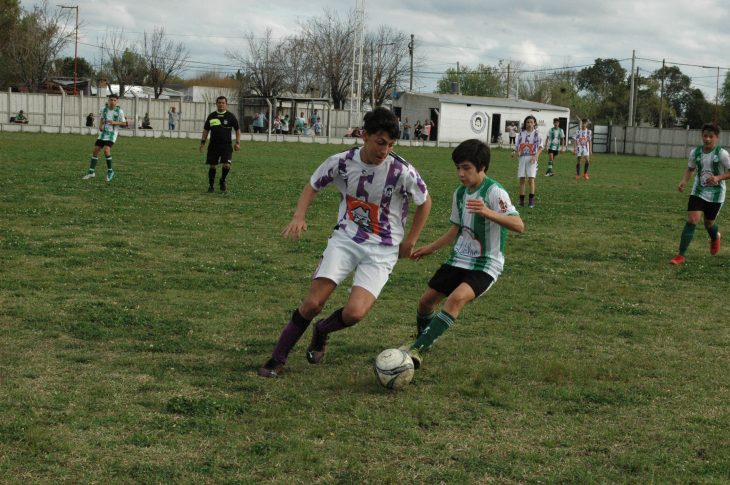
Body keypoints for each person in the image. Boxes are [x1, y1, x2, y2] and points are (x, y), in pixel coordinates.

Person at [257, 107, 432, 378]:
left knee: (355, 313)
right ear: (365, 135)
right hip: (346, 239)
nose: (385, 150)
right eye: (380, 142)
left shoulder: (401, 171)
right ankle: (277, 358)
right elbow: (313, 184)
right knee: (312, 304)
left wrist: (410, 241)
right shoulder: (341, 161)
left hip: (383, 250)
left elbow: (425, 201)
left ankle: (322, 331)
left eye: (390, 145)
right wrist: (299, 215)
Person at [400, 139, 524, 368]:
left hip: (486, 264)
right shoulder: (459, 194)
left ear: (482, 167)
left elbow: (518, 225)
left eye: (466, 168)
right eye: (458, 167)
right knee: (426, 302)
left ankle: (418, 349)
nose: (460, 173)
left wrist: (488, 212)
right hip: (458, 258)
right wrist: (429, 248)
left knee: (457, 299)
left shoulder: (495, 192)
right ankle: (424, 339)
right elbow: (454, 231)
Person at [669, 123, 730, 265]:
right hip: (698, 191)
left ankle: (715, 237)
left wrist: (718, 177)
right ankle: (681, 255)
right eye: (705, 136)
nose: (707, 139)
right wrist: (683, 181)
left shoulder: (722, 154)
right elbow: (690, 169)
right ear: (702, 136)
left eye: (711, 136)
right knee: (692, 220)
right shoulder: (695, 152)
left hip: (716, 194)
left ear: (717, 138)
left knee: (709, 223)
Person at [199, 96, 241, 193]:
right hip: (213, 145)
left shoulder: (231, 116)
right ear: (216, 104)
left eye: (223, 103)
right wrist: (202, 142)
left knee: (226, 165)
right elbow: (206, 130)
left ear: (226, 104)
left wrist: (238, 143)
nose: (221, 104)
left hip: (226, 145)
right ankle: (211, 186)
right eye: (219, 102)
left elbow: (237, 130)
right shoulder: (212, 116)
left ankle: (222, 180)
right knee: (212, 166)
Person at [82, 94, 127, 182]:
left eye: (114, 100)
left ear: (117, 102)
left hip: (112, 134)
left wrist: (114, 122)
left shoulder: (119, 111)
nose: (112, 102)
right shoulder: (103, 109)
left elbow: (124, 123)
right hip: (103, 134)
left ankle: (110, 171)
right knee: (95, 151)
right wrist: (100, 126)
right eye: (111, 100)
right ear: (108, 101)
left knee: (106, 151)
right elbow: (102, 119)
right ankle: (91, 172)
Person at [511, 115, 543, 208]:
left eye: (531, 122)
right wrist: (514, 152)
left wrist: (536, 156)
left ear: (534, 123)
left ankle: (531, 201)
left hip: (532, 158)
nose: (529, 124)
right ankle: (521, 201)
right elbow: (517, 146)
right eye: (527, 122)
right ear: (525, 123)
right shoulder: (521, 133)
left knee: (531, 179)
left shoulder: (537, 134)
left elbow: (541, 147)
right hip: (522, 158)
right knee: (522, 179)